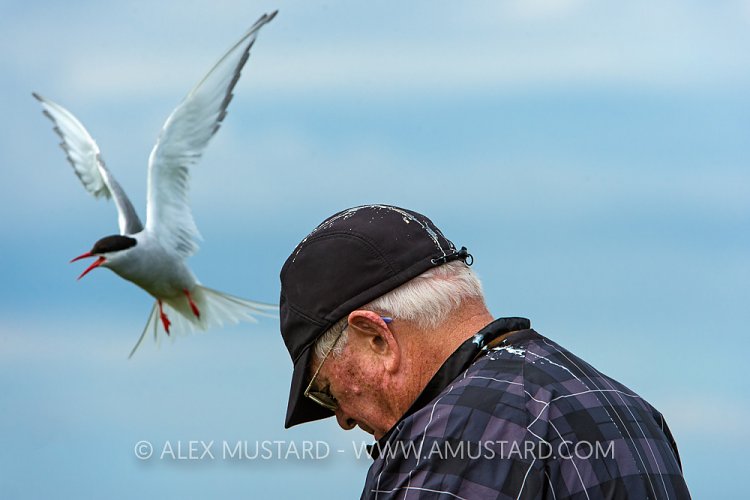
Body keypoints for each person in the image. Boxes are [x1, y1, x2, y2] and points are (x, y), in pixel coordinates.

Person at [279, 204, 690, 499]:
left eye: (326, 391)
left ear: (376, 339)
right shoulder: (628, 409)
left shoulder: (450, 442)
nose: (344, 419)